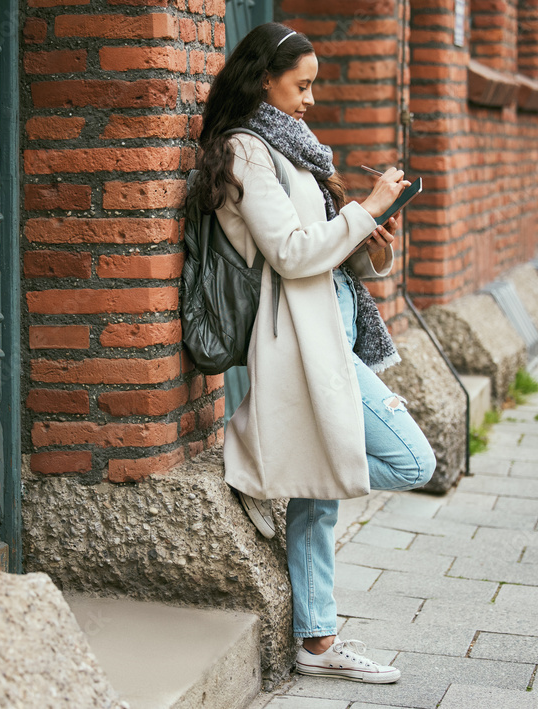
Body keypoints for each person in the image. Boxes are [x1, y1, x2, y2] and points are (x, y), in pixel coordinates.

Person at [186, 23, 437, 683]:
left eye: (315, 85)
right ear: (263, 79)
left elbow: (323, 250)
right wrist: (369, 203)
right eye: (302, 85)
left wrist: (366, 246)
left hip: (331, 330)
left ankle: (316, 643)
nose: (312, 99)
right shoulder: (247, 152)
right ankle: (266, 470)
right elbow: (293, 253)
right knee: (414, 458)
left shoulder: (291, 149)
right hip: (298, 342)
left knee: (319, 490)